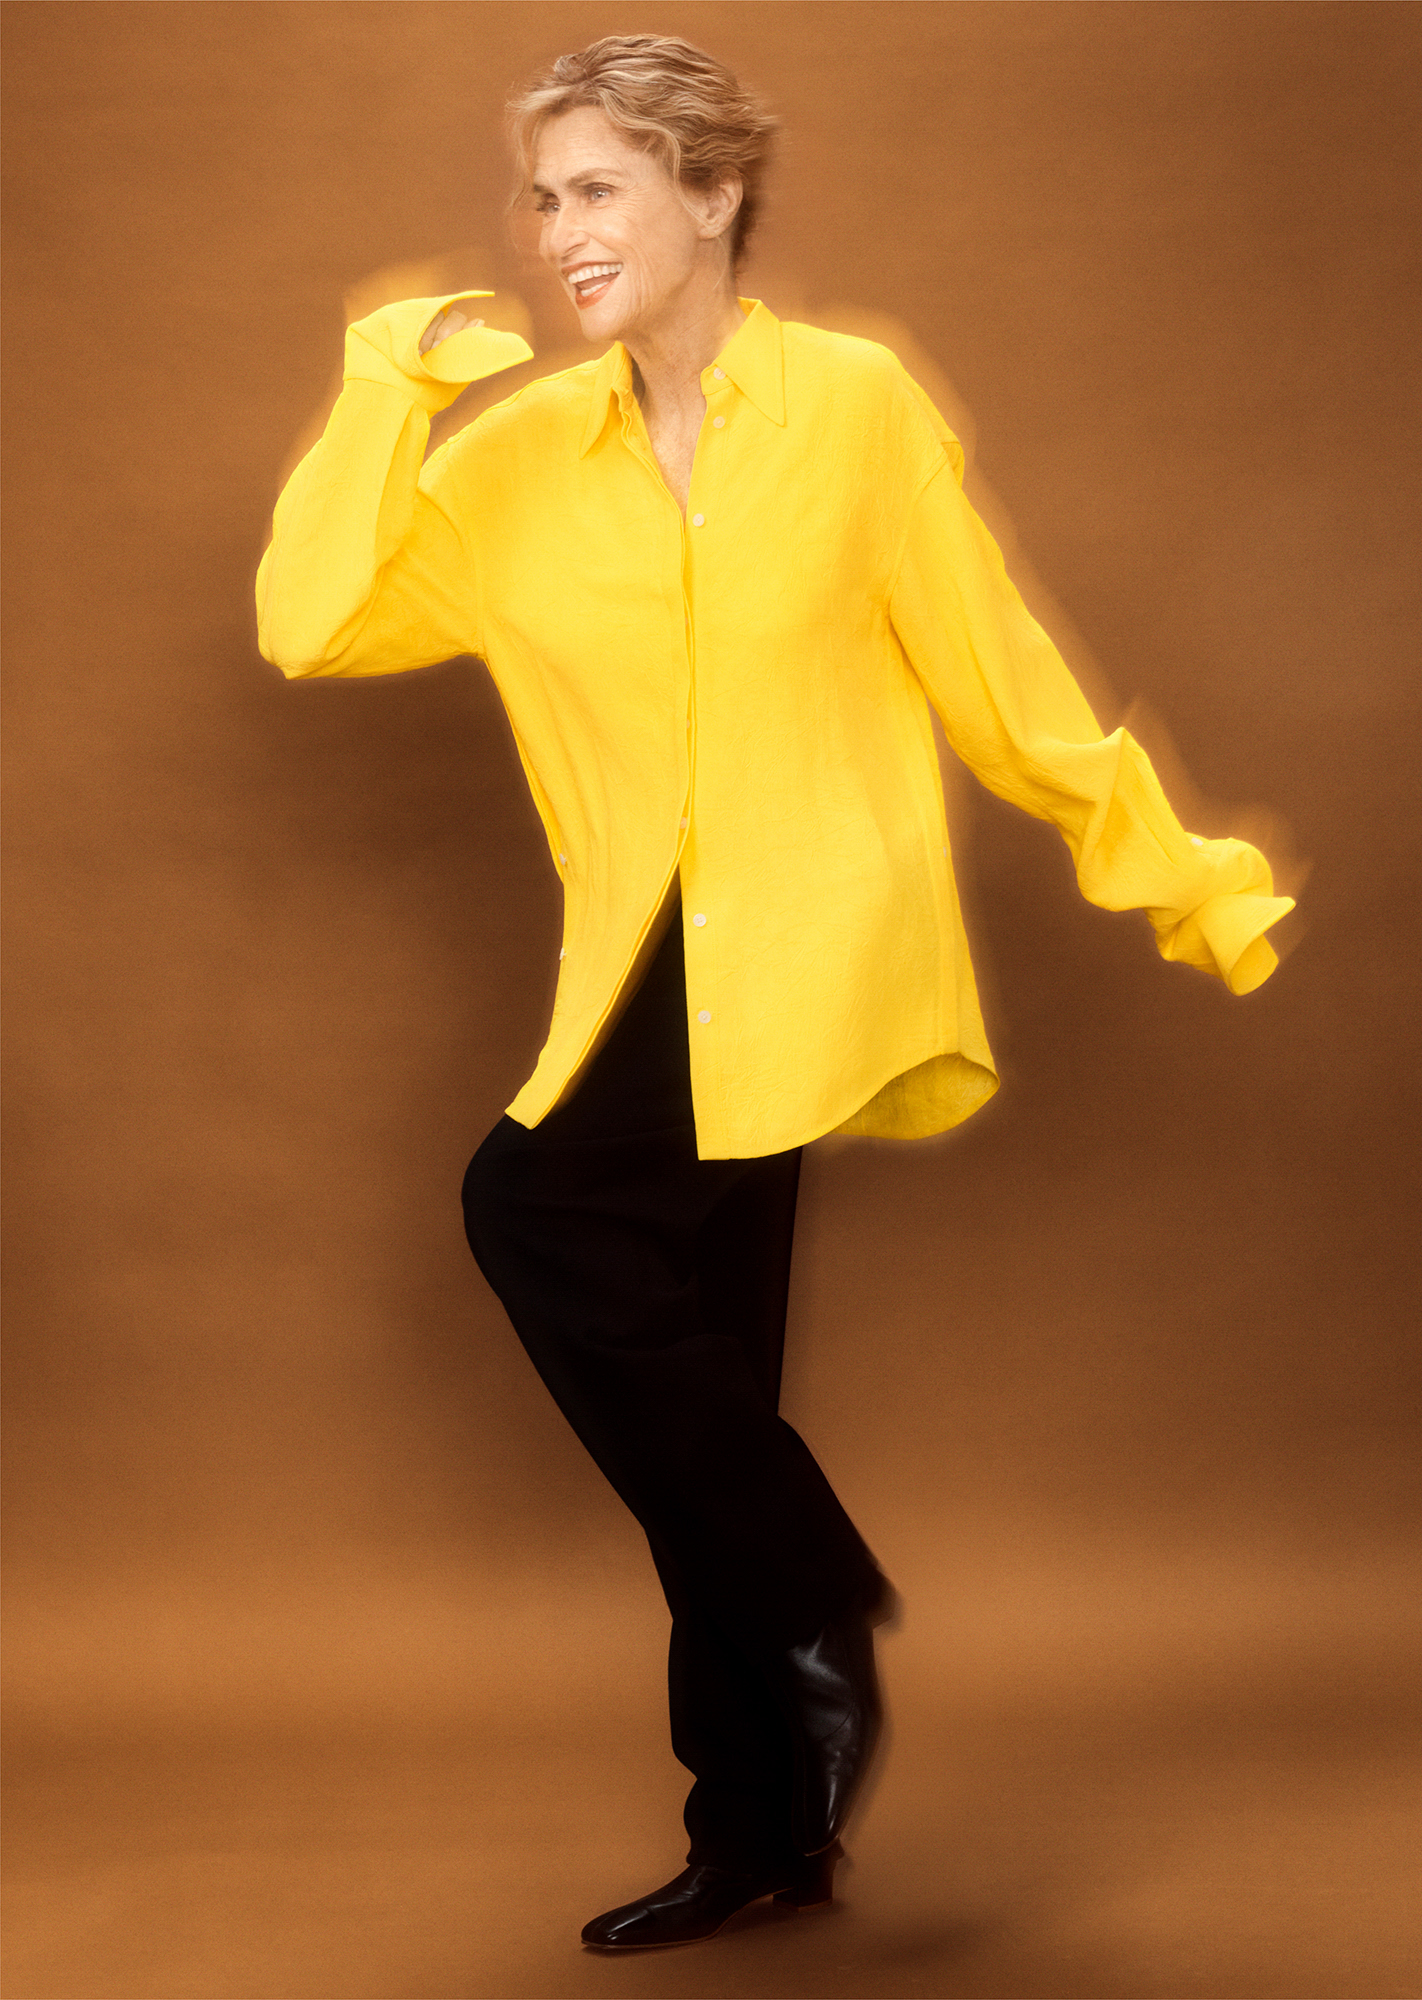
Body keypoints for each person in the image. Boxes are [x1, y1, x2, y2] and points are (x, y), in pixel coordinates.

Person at [256, 33, 1294, 1953]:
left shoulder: (857, 409)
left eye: (593, 188)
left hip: (806, 954)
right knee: (704, 1376)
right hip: (639, 967)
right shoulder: (513, 472)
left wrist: (1180, 872)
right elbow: (314, 622)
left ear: (711, 194)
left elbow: (999, 677)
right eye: (540, 195)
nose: (552, 230)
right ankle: (764, 1828)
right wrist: (374, 391)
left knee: (535, 1212)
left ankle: (814, 1595)